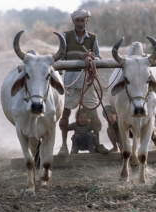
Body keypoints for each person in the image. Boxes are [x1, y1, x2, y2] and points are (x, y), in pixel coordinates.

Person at [58, 8, 108, 155]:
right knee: (65, 115)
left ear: (86, 21)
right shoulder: (65, 36)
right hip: (70, 81)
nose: (80, 23)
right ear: (73, 21)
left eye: (83, 20)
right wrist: (59, 70)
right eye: (78, 20)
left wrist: (92, 58)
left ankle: (97, 144)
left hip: (87, 80)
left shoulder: (92, 38)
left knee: (95, 116)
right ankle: (63, 146)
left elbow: (98, 57)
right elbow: (60, 57)